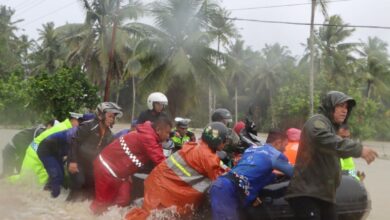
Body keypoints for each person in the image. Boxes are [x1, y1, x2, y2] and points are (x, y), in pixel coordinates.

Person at [285, 91, 378, 220]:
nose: (344, 110)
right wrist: (359, 149)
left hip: (324, 195)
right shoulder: (317, 122)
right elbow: (325, 139)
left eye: (346, 107)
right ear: (330, 106)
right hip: (307, 193)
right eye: (340, 106)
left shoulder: (331, 128)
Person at [125, 122, 229, 220]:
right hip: (164, 189)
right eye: (224, 140)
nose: (226, 142)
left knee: (151, 214)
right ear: (218, 141)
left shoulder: (197, 145)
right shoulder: (208, 157)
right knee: (148, 215)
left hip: (159, 182)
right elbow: (223, 179)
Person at [89, 116, 172, 214]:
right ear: (158, 130)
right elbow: (161, 162)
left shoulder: (151, 136)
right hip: (106, 168)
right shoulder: (148, 138)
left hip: (121, 173)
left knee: (123, 200)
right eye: (167, 133)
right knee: (101, 204)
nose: (168, 136)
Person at [209, 129, 294, 220]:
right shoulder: (275, 155)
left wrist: (274, 175)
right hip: (230, 188)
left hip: (221, 183)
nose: (285, 150)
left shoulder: (251, 149)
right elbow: (295, 172)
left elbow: (250, 171)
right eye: (285, 146)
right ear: (278, 142)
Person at [67, 102, 122, 202]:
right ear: (100, 115)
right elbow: (74, 142)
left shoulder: (110, 135)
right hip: (77, 161)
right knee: (79, 182)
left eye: (113, 117)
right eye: (109, 116)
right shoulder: (88, 126)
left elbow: (110, 154)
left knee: (92, 190)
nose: (112, 119)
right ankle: (69, 203)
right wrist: (72, 161)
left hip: (91, 166)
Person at [8, 113, 84, 185]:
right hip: (36, 155)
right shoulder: (64, 130)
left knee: (26, 179)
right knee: (32, 182)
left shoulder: (64, 127)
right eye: (80, 122)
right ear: (73, 120)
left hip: (35, 152)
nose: (81, 125)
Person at [37, 114, 95, 197]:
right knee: (57, 177)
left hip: (57, 152)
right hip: (47, 150)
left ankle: (46, 194)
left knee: (60, 175)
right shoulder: (77, 132)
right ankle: (53, 200)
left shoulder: (86, 133)